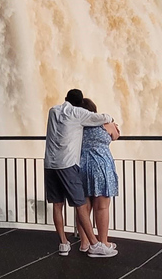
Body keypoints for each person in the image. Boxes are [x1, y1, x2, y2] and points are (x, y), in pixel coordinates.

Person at [44, 89, 118, 258]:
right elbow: (105, 119)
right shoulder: (79, 114)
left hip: (50, 162)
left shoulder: (53, 111)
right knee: (81, 204)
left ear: (65, 98)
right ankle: (95, 244)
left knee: (57, 204)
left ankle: (64, 243)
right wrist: (111, 120)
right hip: (69, 163)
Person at [77, 98, 120, 252]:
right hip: (101, 167)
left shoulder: (77, 127)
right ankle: (103, 243)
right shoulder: (104, 124)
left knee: (83, 207)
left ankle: (85, 243)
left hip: (81, 166)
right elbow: (115, 135)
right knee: (102, 207)